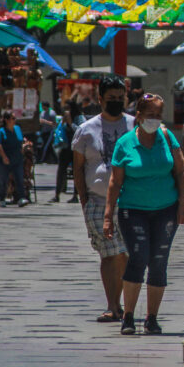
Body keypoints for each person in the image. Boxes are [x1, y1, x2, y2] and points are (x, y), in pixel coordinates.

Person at [104, 93, 184, 335]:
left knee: (159, 261)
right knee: (139, 257)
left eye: (158, 115)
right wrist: (108, 216)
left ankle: (152, 317)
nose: (155, 120)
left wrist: (183, 204)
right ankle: (128, 316)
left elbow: (182, 172)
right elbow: (114, 182)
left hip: (166, 210)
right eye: (150, 115)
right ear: (138, 116)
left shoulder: (167, 136)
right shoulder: (125, 144)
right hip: (134, 210)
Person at [72, 75, 134, 324]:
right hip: (97, 200)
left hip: (131, 199)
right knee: (109, 254)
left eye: (121, 98)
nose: (117, 102)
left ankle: (123, 305)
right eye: (111, 99)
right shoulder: (86, 130)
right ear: (100, 100)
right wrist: (83, 199)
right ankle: (113, 305)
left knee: (125, 254)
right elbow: (77, 167)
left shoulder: (135, 125)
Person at [0, 112, 30, 208]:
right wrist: (4, 157)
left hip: (17, 158)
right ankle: (1, 198)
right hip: (5, 159)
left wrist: (24, 146)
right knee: (3, 180)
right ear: (6, 120)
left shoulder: (17, 129)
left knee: (19, 178)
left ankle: (21, 197)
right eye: (13, 118)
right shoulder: (1, 131)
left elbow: (20, 141)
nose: (15, 120)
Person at [53, 100, 84, 203]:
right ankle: (57, 194)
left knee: (76, 171)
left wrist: (71, 123)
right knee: (61, 170)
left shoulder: (79, 118)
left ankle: (76, 194)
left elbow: (81, 131)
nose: (66, 111)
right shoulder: (65, 118)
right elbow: (59, 131)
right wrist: (62, 123)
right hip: (66, 148)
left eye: (68, 108)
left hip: (76, 148)